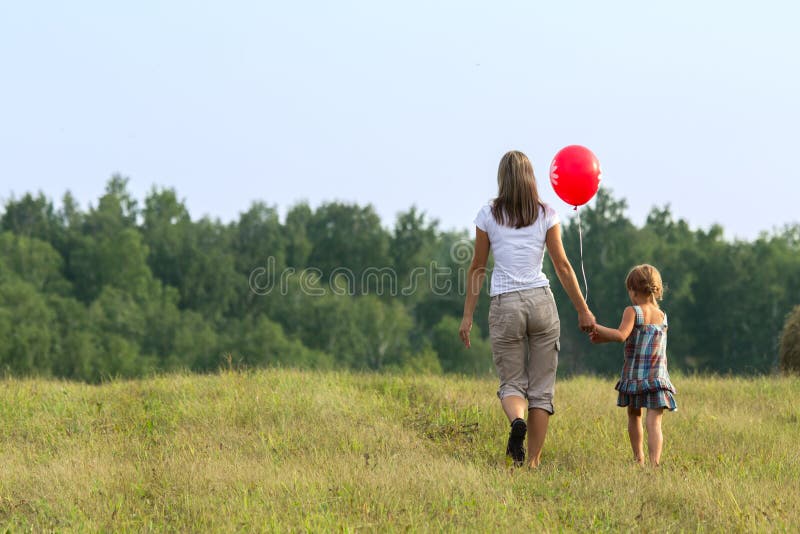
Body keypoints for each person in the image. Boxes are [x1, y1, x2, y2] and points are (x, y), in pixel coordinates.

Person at [459, 150, 596, 468]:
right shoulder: (547, 212)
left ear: (501, 179)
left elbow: (477, 267)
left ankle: (516, 420)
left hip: (506, 304)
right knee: (542, 388)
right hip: (541, 302)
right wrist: (583, 309)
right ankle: (532, 463)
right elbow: (562, 265)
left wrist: (467, 316)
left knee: (512, 382)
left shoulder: (487, 214)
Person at [589, 264, 677, 467]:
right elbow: (639, 339)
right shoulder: (662, 316)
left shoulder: (633, 311)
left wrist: (596, 327)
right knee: (655, 422)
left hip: (636, 376)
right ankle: (655, 463)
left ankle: (639, 460)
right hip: (658, 377)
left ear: (632, 290)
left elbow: (621, 335)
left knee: (634, 415)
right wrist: (602, 338)